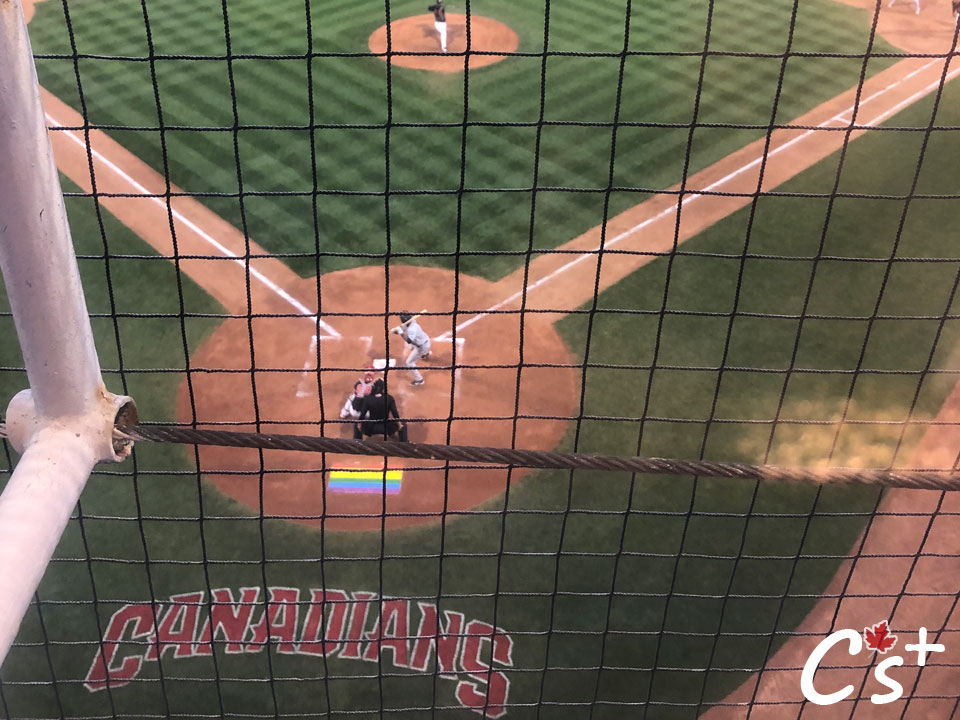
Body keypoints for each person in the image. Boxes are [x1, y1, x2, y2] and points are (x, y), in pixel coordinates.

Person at [391, 311, 431, 387]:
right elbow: (404, 327)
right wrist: (397, 330)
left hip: (421, 347)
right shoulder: (412, 321)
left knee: (409, 363)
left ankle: (419, 380)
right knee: (414, 346)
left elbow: (409, 340)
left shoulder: (412, 329)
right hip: (425, 341)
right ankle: (426, 353)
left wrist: (401, 333)